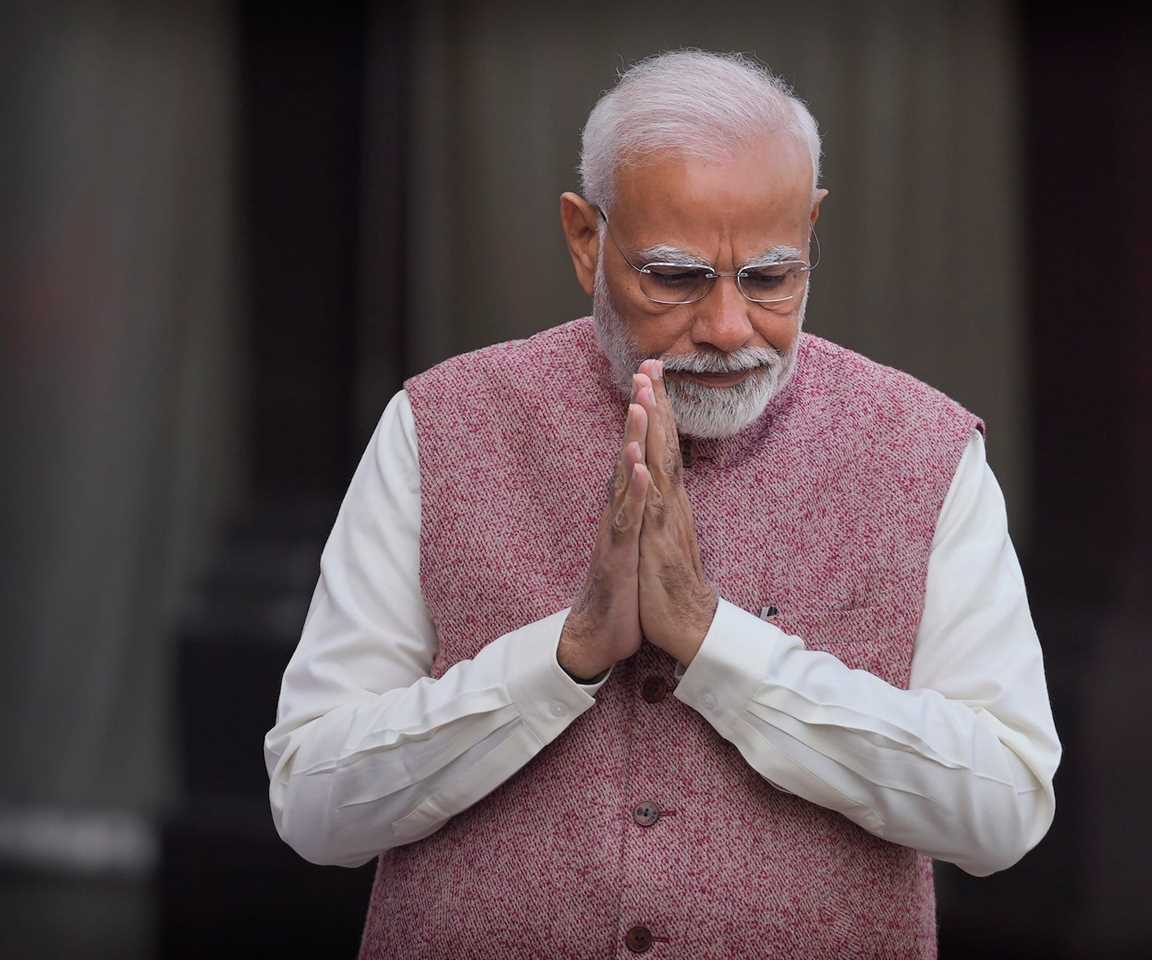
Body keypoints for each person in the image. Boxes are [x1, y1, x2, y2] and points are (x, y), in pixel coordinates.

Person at [265, 49, 1060, 959]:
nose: (728, 329)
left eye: (770, 278)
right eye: (674, 278)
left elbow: (1004, 810)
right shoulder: (439, 425)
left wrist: (719, 646)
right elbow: (313, 802)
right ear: (584, 241)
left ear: (811, 228)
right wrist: (561, 660)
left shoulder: (926, 448)